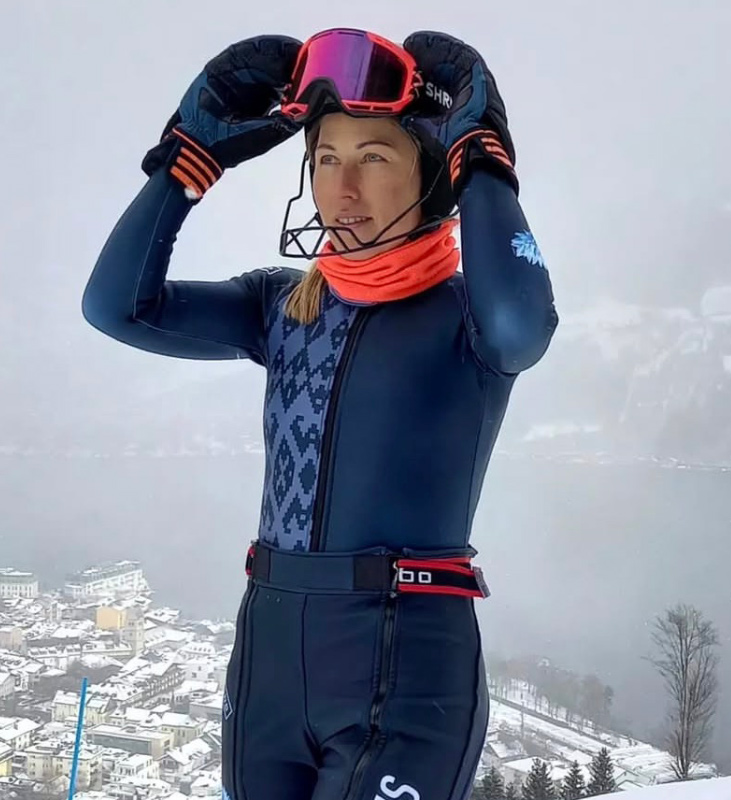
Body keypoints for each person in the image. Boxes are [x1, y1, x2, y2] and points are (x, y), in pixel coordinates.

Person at [81, 27, 557, 800]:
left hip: (408, 667)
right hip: (268, 661)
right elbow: (115, 306)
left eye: (374, 158)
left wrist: (483, 162)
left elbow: (521, 325)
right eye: (326, 159)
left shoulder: (469, 318)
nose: (344, 189)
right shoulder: (279, 306)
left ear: (431, 175)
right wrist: (186, 162)